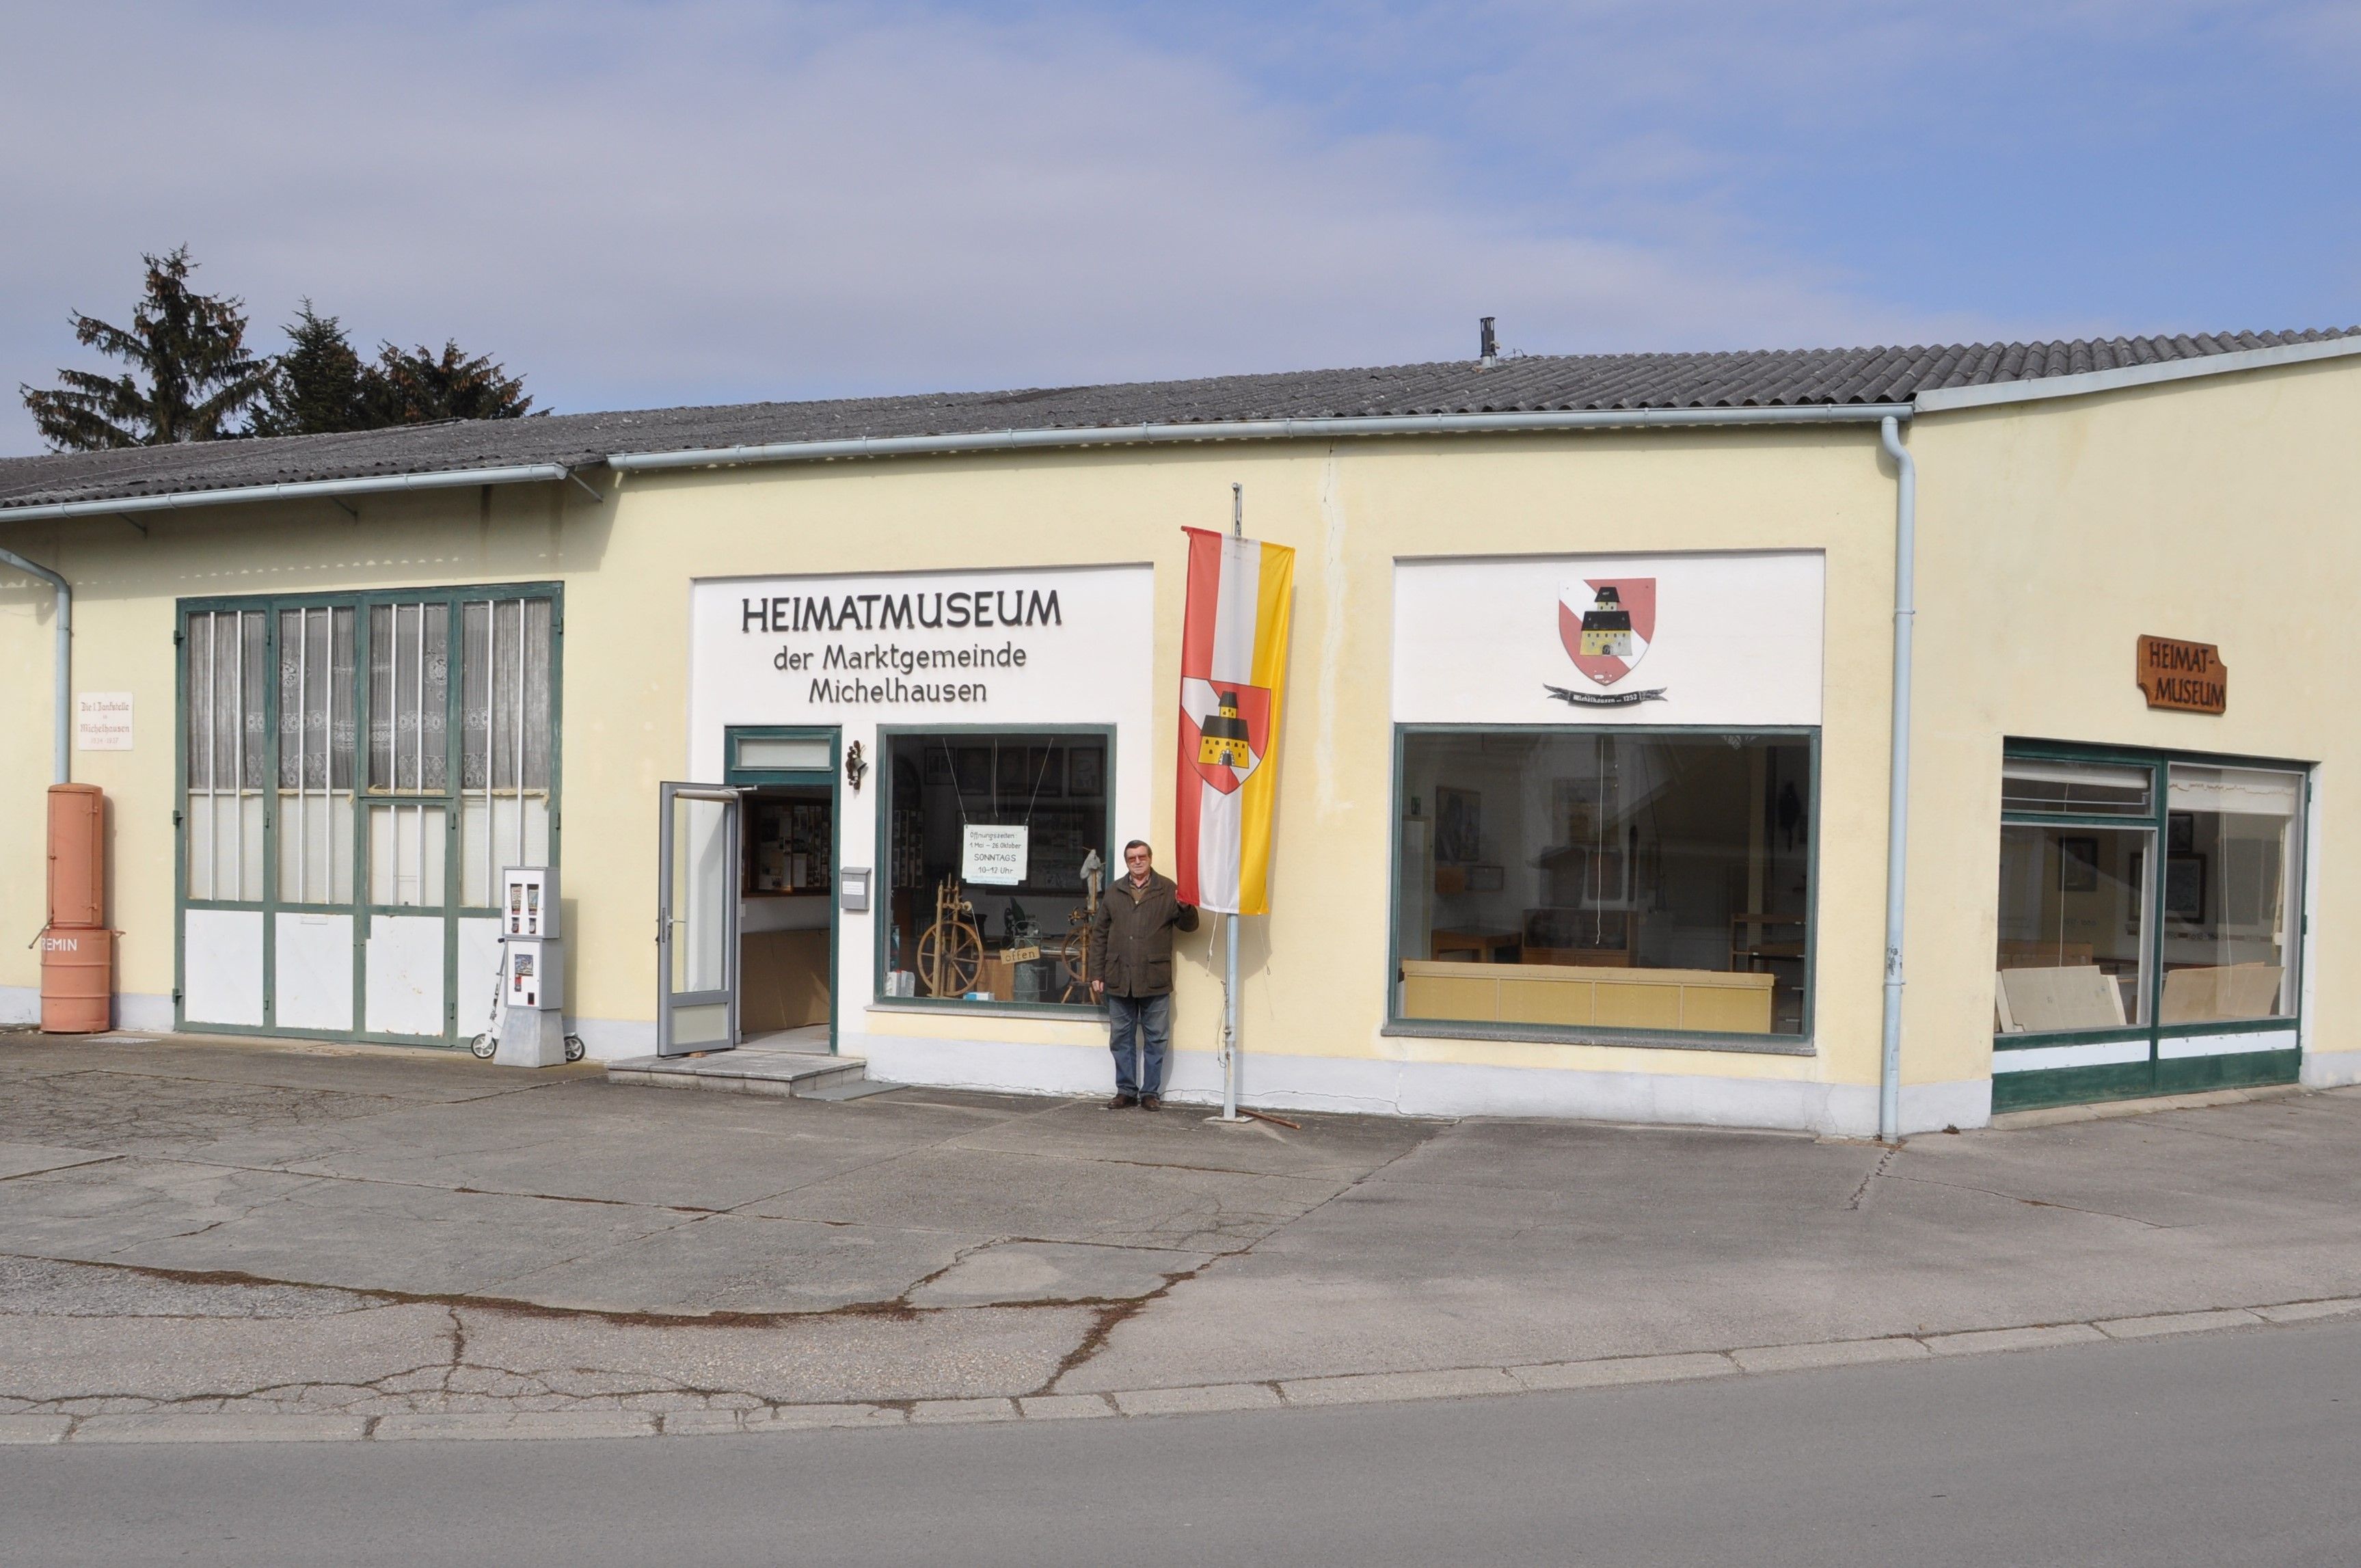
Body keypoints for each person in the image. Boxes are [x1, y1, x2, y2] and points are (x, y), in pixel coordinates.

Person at [1088, 839, 1199, 1109]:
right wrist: (1096, 972)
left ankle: (1151, 1093)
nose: (1137, 861)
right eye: (1131, 858)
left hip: (1154, 978)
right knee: (1121, 1038)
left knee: (1156, 1038)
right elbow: (1099, 934)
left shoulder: (1168, 889)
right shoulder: (1115, 891)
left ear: (1150, 858)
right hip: (1119, 977)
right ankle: (1125, 1091)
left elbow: (1191, 926)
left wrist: (1186, 907)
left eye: (1141, 857)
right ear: (1127, 862)